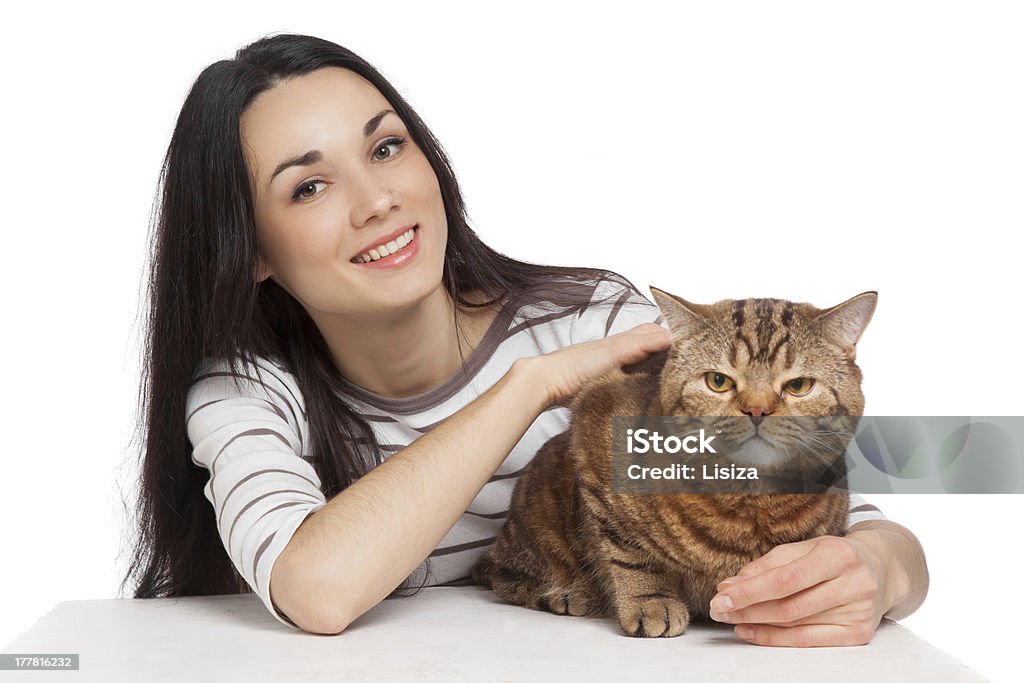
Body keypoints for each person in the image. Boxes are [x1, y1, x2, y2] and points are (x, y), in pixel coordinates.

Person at [122, 33, 928, 646]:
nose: (376, 200)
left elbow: (824, 493)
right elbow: (320, 591)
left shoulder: (595, 322)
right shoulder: (246, 389)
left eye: (386, 146)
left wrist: (882, 569)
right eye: (310, 185)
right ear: (251, 248)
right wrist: (529, 387)